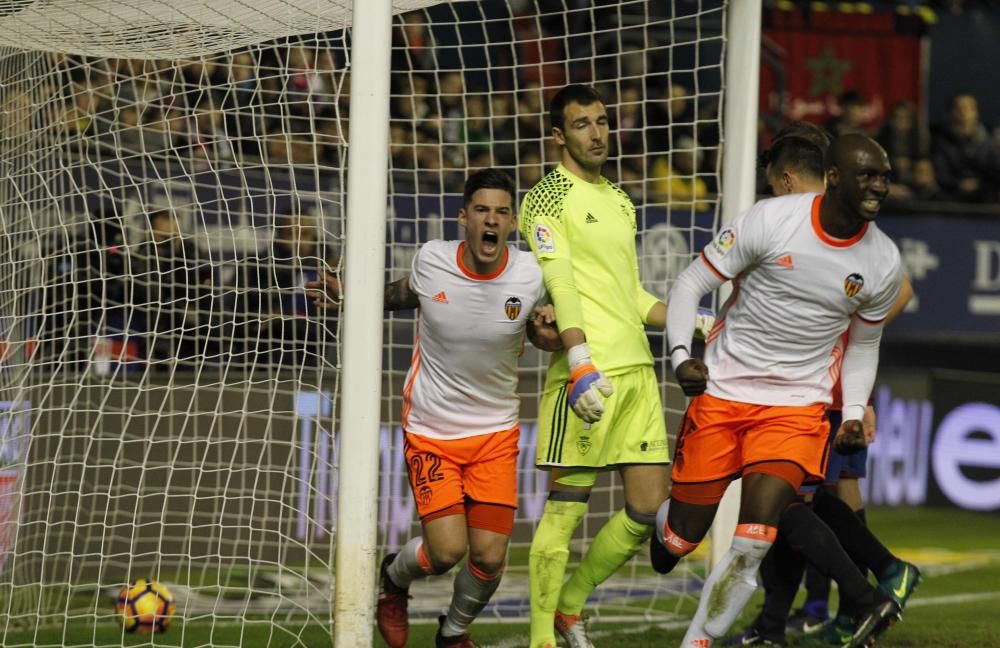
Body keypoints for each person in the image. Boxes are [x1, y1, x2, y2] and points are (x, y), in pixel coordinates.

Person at [650, 134, 905, 648]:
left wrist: (852, 411)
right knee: (676, 542)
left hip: (795, 409)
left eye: (885, 176)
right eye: (868, 175)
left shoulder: (883, 260)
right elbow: (690, 285)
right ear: (834, 177)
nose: (879, 187)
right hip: (722, 393)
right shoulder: (771, 220)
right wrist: (681, 357)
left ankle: (696, 643)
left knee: (754, 539)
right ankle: (664, 523)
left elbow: (862, 345)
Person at [310, 169, 559, 648]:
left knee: (488, 558)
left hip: (496, 433)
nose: (491, 220)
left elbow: (537, 334)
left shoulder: (531, 275)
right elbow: (400, 295)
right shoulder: (432, 260)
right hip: (432, 431)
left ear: (512, 224)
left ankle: (453, 634)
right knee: (446, 551)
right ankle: (394, 579)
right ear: (463, 217)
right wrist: (349, 299)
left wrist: (548, 332)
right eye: (482, 210)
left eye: (502, 212)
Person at [519, 84, 711, 648]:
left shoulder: (621, 200)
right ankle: (539, 639)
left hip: (636, 373)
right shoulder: (545, 199)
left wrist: (693, 322)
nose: (598, 133)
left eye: (602, 122)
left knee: (649, 507)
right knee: (565, 510)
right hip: (587, 377)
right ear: (559, 135)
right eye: (582, 124)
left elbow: (628, 294)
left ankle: (570, 607)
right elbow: (561, 284)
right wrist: (578, 359)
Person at [726, 129, 920, 647]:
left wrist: (838, 340)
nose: (768, 200)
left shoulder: (840, 224)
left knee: (795, 505)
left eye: (771, 187)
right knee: (799, 504)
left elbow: (900, 292)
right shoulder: (805, 223)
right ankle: (797, 615)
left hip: (817, 387)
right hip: (804, 385)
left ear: (787, 179)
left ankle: (861, 588)